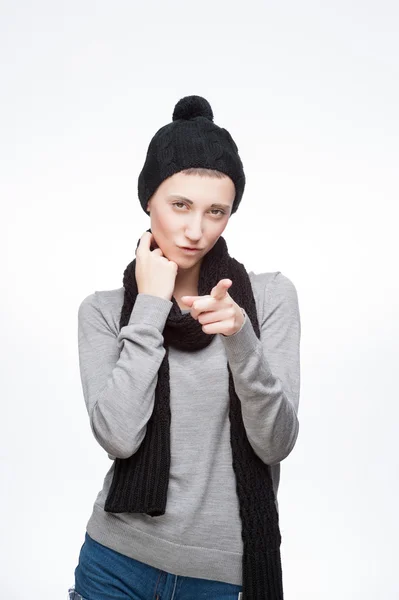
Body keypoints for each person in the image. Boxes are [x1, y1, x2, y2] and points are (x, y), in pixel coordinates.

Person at [69, 95, 301, 600]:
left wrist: (241, 339)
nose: (197, 230)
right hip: (114, 563)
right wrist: (150, 306)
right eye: (180, 206)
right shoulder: (104, 311)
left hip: (221, 575)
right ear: (148, 199)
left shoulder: (268, 298)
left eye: (216, 211)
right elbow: (118, 437)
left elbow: (276, 442)